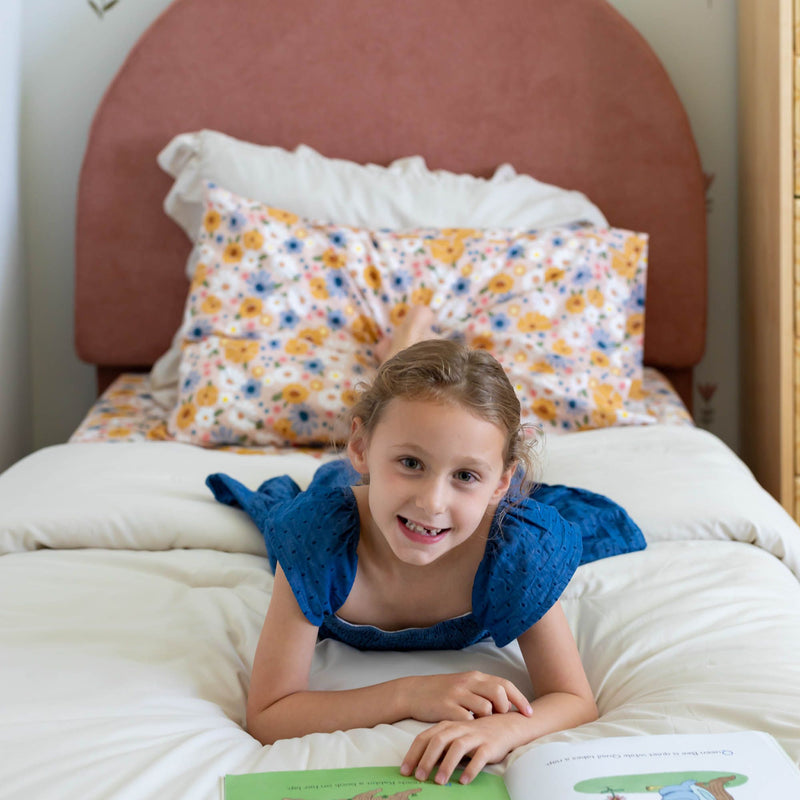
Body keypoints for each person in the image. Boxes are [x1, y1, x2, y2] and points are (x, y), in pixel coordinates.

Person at [207, 309, 640, 786]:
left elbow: (574, 698)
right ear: (360, 445)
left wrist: (506, 729)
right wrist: (411, 694)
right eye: (411, 462)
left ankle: (408, 361)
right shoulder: (318, 539)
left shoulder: (514, 552)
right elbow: (269, 714)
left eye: (466, 475)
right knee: (333, 476)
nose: (432, 503)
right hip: (354, 493)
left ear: (503, 482)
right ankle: (404, 352)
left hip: (414, 494)